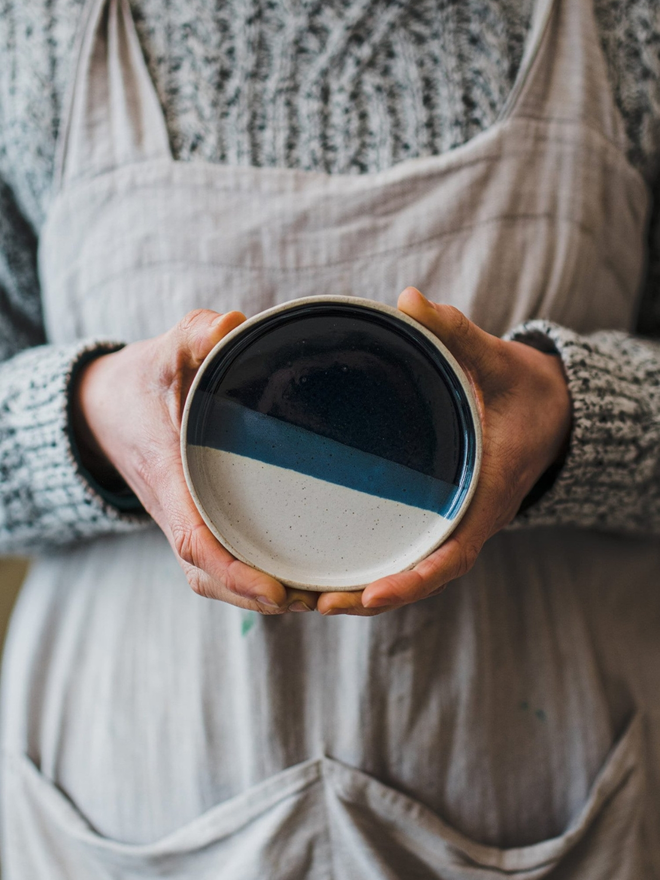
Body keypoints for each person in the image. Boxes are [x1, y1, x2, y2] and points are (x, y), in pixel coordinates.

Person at [0, 0, 659, 875]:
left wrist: (575, 415)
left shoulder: (629, 25)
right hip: (127, 792)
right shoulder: (35, 28)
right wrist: (86, 416)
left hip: (550, 784)